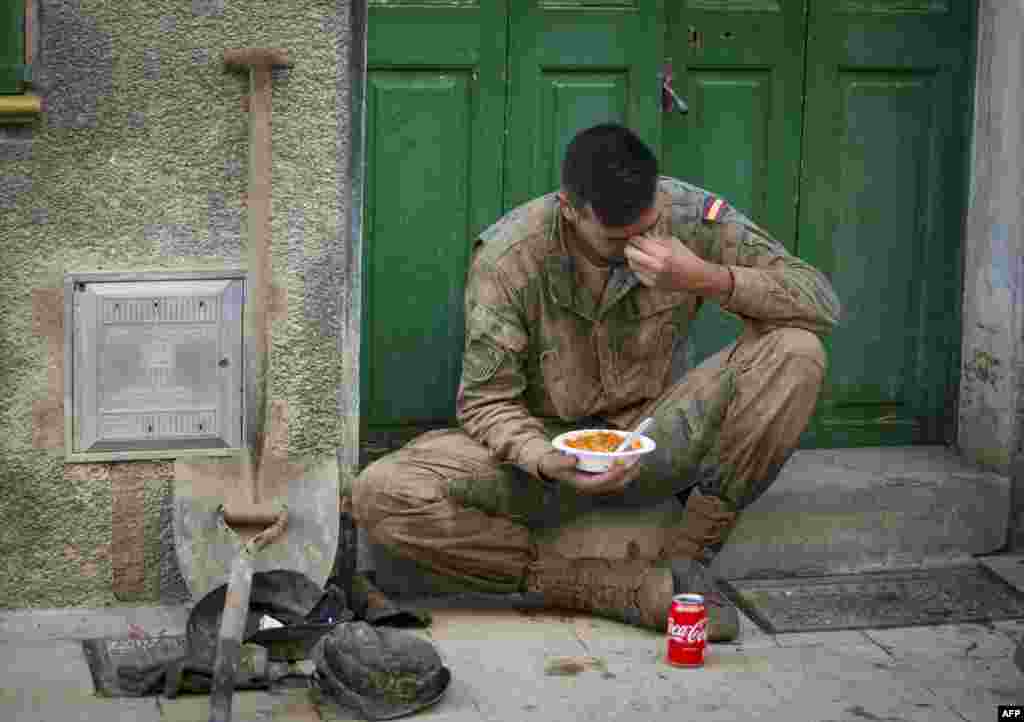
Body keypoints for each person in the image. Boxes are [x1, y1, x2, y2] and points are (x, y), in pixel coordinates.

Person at [348, 123, 840, 641]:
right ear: (570, 208)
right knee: (380, 494)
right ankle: (603, 588)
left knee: (797, 350)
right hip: (544, 463)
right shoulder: (511, 256)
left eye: (647, 229)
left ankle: (687, 561)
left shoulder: (690, 217)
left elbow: (819, 303)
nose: (640, 247)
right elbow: (486, 402)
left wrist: (704, 277)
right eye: (617, 240)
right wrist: (542, 457)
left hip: (653, 439)